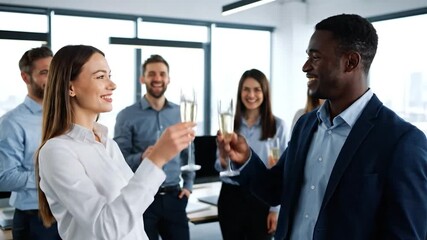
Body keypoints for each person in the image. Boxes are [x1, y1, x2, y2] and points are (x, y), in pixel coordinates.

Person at [217, 14, 427, 240]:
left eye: (315, 57)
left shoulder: (402, 141)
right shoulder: (306, 125)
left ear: (351, 62)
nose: (305, 67)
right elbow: (275, 189)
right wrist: (246, 158)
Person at [35, 45, 196, 240]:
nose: (112, 85)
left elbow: (132, 213)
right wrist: (156, 159)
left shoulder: (106, 143)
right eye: (101, 76)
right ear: (71, 87)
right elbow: (106, 228)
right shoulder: (56, 151)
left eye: (109, 75)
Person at [114, 54, 195, 240]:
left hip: (175, 197)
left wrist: (189, 185)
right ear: (142, 78)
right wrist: (142, 157)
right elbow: (117, 161)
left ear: (168, 79)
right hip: (142, 200)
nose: (157, 78)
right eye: (151, 74)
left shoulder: (180, 112)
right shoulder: (126, 116)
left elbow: (189, 152)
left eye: (162, 74)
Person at [215, 69, 288, 240]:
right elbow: (219, 166)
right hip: (230, 196)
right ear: (240, 92)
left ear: (265, 93)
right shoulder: (228, 123)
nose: (251, 95)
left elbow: (283, 171)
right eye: (246, 89)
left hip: (261, 197)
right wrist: (223, 157)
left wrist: (275, 209)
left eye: (257, 89)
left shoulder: (278, 126)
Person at [0, 46, 61, 240]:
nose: (52, 78)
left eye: (54, 71)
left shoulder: (64, 116)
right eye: (44, 72)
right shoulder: (12, 122)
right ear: (26, 78)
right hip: (35, 219)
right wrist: (52, 177)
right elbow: (5, 178)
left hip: (67, 212)